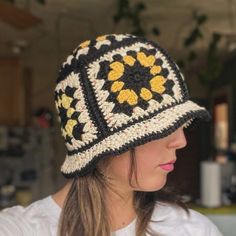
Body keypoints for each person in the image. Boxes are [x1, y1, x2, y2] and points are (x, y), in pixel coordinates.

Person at [0, 34, 223, 236]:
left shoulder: (194, 230)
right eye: (161, 127)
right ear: (100, 145)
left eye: (181, 123)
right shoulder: (17, 230)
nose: (180, 141)